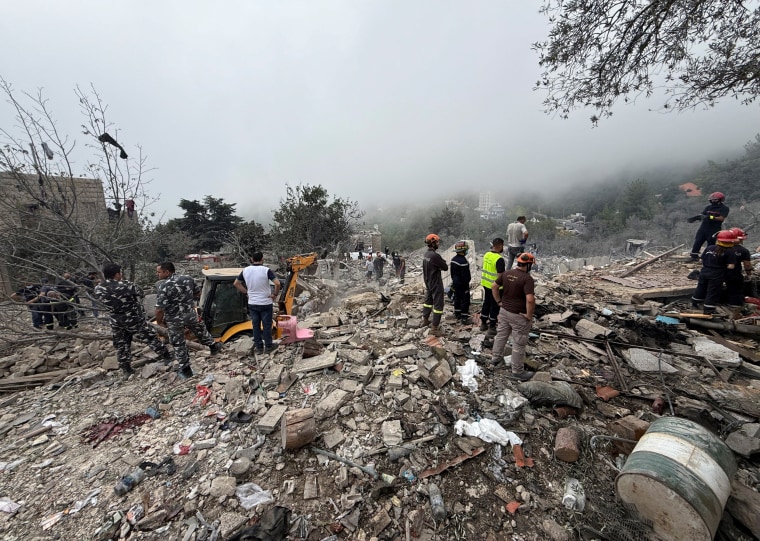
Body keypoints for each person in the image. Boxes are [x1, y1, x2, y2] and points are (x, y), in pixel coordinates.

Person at [94, 262, 174, 378]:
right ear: (117, 274)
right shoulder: (126, 285)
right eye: (120, 273)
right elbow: (140, 293)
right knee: (149, 337)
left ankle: (126, 369)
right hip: (133, 318)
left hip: (116, 321)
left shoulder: (98, 288)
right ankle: (166, 356)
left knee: (122, 345)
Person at [155, 261, 222, 379]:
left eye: (159, 272)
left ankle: (186, 370)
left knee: (178, 343)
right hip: (190, 314)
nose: (157, 274)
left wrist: (159, 321)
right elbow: (198, 293)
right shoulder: (188, 278)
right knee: (201, 331)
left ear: (167, 272)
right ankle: (214, 347)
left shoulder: (163, 286)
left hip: (174, 319)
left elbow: (160, 309)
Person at [489, 252, 536, 381]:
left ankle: (495, 358)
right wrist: (529, 315)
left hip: (504, 312)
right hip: (518, 315)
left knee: (501, 336)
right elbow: (530, 300)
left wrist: (499, 302)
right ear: (528, 265)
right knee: (519, 343)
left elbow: (494, 287)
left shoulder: (507, 273)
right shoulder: (527, 279)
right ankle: (517, 371)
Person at [234, 252, 281, 356]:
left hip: (253, 303)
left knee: (255, 325)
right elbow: (277, 283)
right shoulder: (266, 270)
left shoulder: (245, 271)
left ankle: (259, 347)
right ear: (262, 259)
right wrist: (275, 294)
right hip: (265, 302)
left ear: (251, 259)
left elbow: (236, 283)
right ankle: (268, 346)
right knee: (267, 325)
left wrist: (246, 292)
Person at [691, 230, 737, 315]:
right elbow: (731, 266)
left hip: (704, 271)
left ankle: (695, 303)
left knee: (701, 287)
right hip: (716, 274)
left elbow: (701, 260)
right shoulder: (730, 251)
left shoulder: (709, 248)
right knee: (712, 292)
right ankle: (708, 309)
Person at [421, 233, 448, 336]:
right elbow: (445, 267)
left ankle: (425, 320)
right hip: (435, 283)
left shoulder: (426, 254)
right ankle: (434, 328)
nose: (438, 243)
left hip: (428, 281)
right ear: (433, 243)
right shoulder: (435, 256)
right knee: (438, 305)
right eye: (437, 242)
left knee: (428, 301)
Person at [689, 192, 729, 260]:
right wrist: (695, 218)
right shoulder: (708, 207)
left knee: (711, 243)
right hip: (704, 227)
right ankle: (694, 256)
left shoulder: (724, 208)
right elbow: (703, 215)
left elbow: (721, 218)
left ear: (720, 200)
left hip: (714, 228)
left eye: (715, 199)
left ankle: (708, 257)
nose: (713, 201)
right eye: (712, 199)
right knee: (698, 240)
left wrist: (711, 217)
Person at [479, 238, 506, 336]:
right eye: (503, 245)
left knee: (486, 303)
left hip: (486, 284)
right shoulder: (499, 259)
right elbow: (500, 276)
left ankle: (483, 323)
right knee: (495, 306)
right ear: (499, 246)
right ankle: (492, 326)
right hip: (496, 287)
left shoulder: (487, 254)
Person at [726, 227, 753, 318]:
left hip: (719, 274)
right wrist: (749, 274)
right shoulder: (743, 251)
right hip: (734, 274)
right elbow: (747, 265)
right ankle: (735, 308)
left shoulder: (721, 248)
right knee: (735, 291)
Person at [450, 241, 472, 323]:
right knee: (465, 300)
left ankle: (457, 313)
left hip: (455, 283)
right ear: (463, 250)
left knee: (457, 298)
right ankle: (464, 317)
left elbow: (452, 273)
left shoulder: (453, 260)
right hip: (463, 284)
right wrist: (466, 284)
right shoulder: (463, 262)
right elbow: (466, 276)